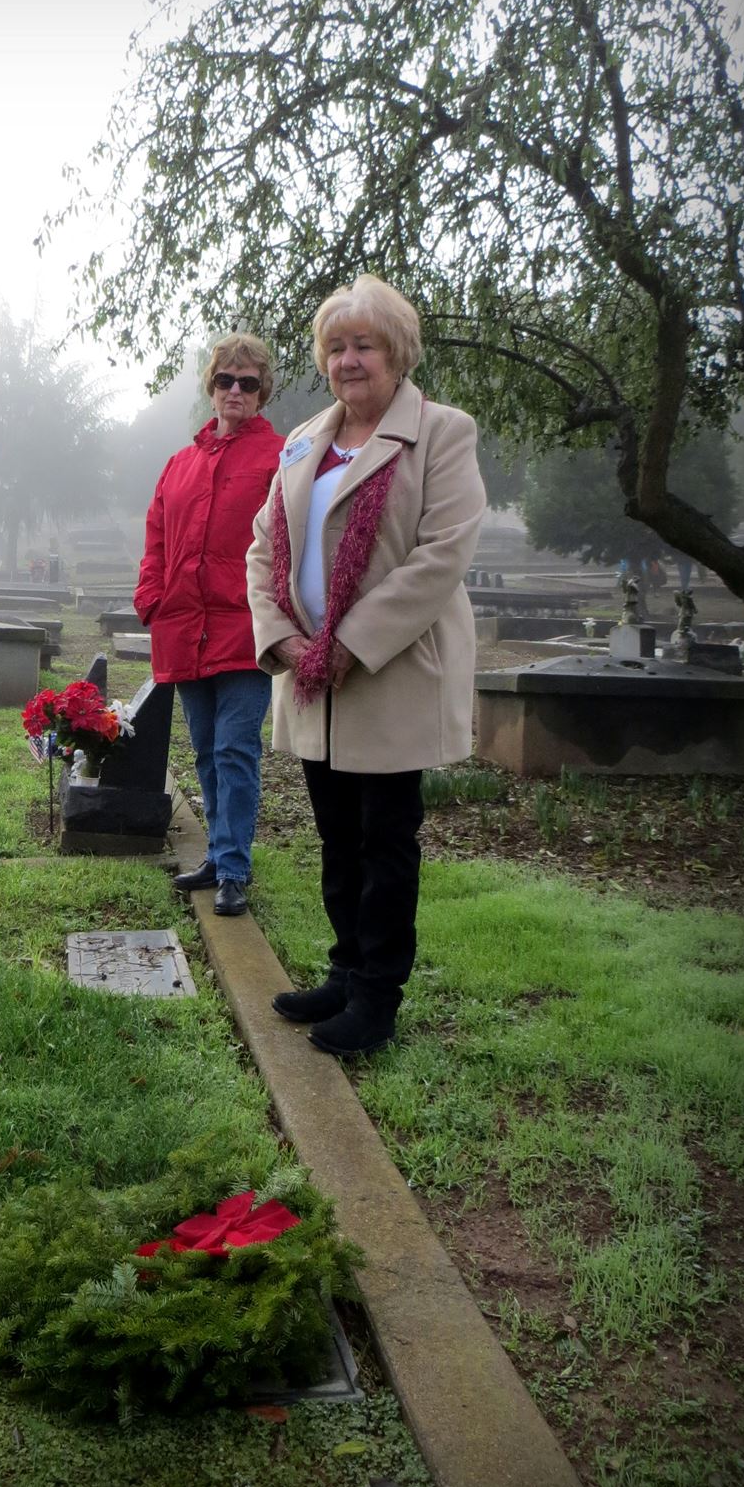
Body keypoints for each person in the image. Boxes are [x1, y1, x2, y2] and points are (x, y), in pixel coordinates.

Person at [246, 276, 486, 1057]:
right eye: (336, 347)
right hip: (315, 678)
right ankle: (345, 971)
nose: (349, 360)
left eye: (365, 345)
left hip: (388, 674)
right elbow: (263, 546)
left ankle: (378, 997)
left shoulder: (443, 433)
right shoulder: (304, 440)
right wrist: (281, 634)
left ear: (397, 352)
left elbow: (442, 555)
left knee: (386, 841)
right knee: (336, 837)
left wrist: (349, 641)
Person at [135, 335, 283, 916]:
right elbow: (158, 537)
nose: (236, 392)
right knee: (203, 749)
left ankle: (235, 870)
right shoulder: (180, 464)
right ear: (212, 387)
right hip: (184, 628)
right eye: (226, 380)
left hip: (247, 629)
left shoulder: (280, 457)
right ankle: (220, 858)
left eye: (248, 383)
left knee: (234, 748)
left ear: (262, 390)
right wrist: (152, 596)